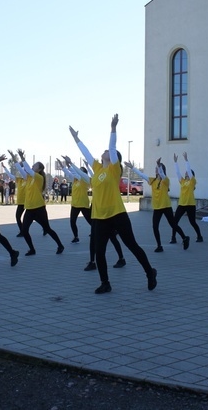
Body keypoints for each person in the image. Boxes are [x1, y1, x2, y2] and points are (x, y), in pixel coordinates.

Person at [70, 114, 157, 294]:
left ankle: (150, 272)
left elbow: (112, 146)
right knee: (99, 251)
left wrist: (113, 128)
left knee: (132, 245)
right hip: (99, 216)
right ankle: (105, 283)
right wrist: (76, 138)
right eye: (105, 151)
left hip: (117, 214)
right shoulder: (98, 169)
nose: (105, 152)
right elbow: (85, 153)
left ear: (114, 158)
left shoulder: (113, 169)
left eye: (108, 152)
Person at [128, 157, 189, 251]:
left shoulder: (166, 181)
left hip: (166, 206)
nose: (156, 170)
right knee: (155, 226)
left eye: (157, 169)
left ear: (162, 170)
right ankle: (159, 246)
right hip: (157, 207)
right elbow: (142, 175)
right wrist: (132, 168)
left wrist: (159, 165)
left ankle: (185, 238)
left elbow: (162, 175)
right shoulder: (152, 180)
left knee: (173, 224)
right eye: (156, 169)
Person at [12, 149, 65, 256]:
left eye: (34, 166)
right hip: (30, 208)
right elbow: (22, 169)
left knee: (47, 229)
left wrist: (23, 158)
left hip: (39, 208)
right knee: (25, 230)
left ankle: (60, 245)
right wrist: (15, 159)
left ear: (39, 169)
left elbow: (27, 168)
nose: (32, 166)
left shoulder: (38, 177)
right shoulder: (29, 178)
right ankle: (32, 249)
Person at [171, 152, 204, 244]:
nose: (186, 173)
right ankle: (173, 237)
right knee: (174, 221)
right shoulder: (182, 181)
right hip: (182, 204)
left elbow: (189, 170)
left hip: (190, 204)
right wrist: (175, 162)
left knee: (192, 222)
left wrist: (186, 160)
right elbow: (177, 172)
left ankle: (199, 236)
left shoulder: (192, 181)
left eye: (187, 173)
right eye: (185, 173)